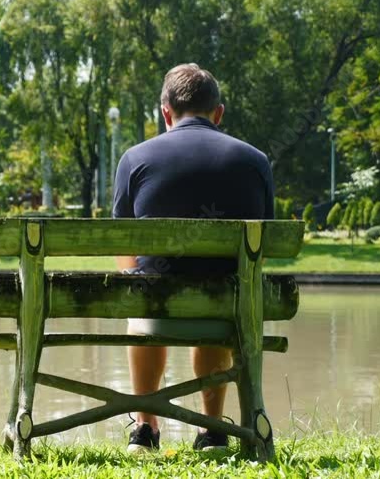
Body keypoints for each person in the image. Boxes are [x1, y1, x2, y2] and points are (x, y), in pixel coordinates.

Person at [111, 63, 275, 453]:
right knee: (217, 296)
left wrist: (143, 282)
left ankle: (145, 428)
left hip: (155, 305)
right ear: (219, 113)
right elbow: (262, 248)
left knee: (143, 300)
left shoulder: (134, 159)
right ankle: (212, 429)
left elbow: (123, 248)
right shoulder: (255, 161)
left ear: (165, 113)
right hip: (226, 305)